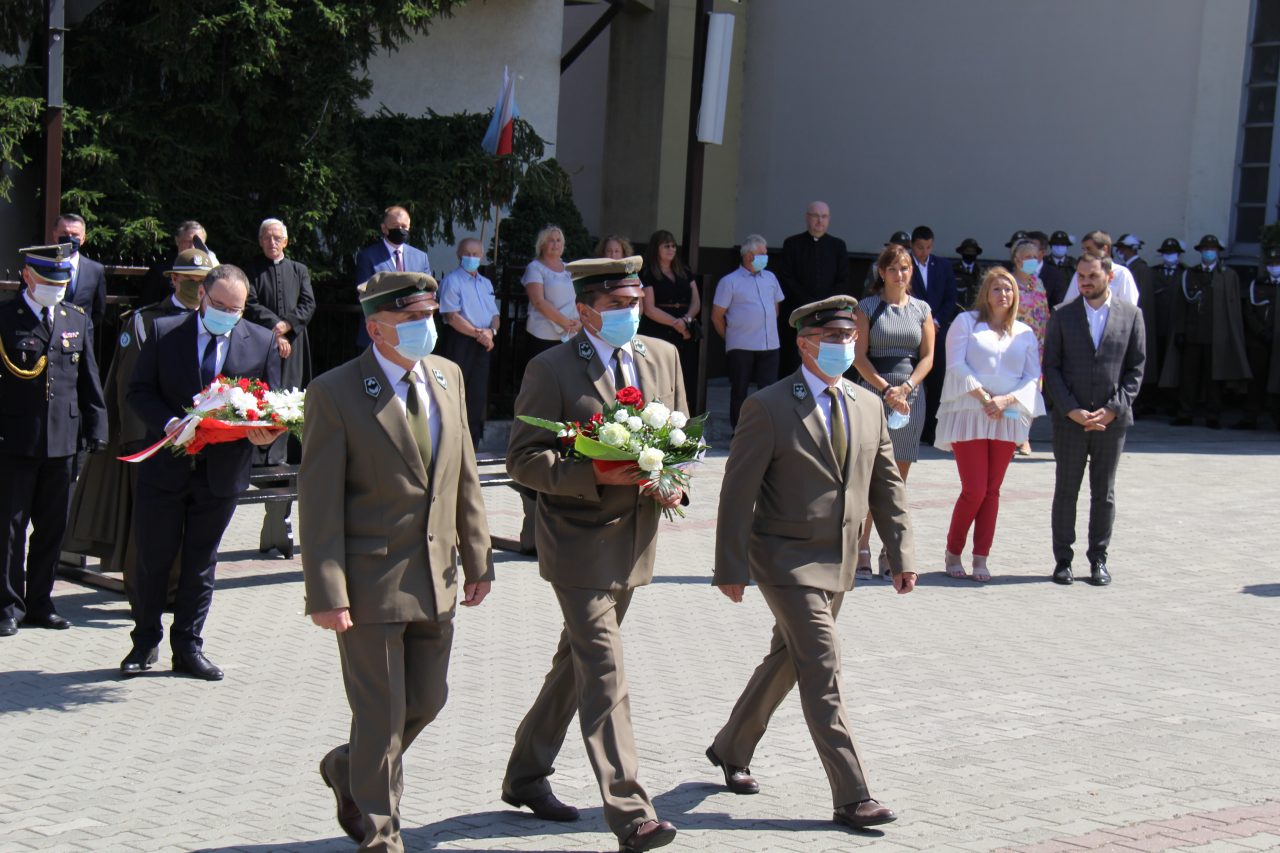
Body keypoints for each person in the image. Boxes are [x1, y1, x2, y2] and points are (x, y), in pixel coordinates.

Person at [300, 270, 493, 852]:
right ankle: (382, 835)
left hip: (436, 574)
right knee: (381, 715)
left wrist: (478, 557)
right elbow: (320, 503)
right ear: (376, 328)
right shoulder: (335, 392)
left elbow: (463, 473)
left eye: (427, 316)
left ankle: (347, 766)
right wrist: (327, 592)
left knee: (427, 699)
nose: (424, 327)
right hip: (371, 581)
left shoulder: (448, 375)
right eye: (410, 319)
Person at [709, 294, 916, 834]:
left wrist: (901, 554)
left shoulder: (868, 404)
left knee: (789, 659)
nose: (844, 345)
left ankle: (730, 747)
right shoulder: (770, 405)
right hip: (785, 559)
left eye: (849, 337)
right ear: (804, 344)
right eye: (832, 338)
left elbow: (887, 486)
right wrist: (730, 565)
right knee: (822, 662)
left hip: (839, 559)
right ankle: (853, 795)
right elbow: (738, 492)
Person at [502, 256, 685, 853]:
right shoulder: (552, 368)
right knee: (604, 668)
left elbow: (680, 436)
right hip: (577, 539)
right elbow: (523, 459)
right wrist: (595, 473)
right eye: (617, 305)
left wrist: (673, 480)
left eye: (635, 302)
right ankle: (631, 811)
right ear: (584, 311)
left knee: (576, 665)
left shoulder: (664, 356)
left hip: (634, 541)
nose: (631, 313)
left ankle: (525, 774)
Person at [121, 264, 282, 680]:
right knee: (153, 558)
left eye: (236, 309)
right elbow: (138, 391)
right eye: (220, 305)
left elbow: (270, 405)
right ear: (203, 298)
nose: (227, 314)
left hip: (222, 474)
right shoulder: (164, 332)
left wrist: (265, 435)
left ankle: (188, 647)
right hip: (165, 466)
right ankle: (144, 642)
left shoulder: (261, 341)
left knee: (200, 562)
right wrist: (168, 423)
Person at [64, 249, 210, 595]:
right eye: (190, 280)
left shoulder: (212, 321)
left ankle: (175, 591)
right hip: (152, 436)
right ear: (174, 280)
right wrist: (137, 438)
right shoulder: (146, 321)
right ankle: (142, 592)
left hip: (201, 437)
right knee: (146, 523)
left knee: (188, 519)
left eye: (203, 281)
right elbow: (130, 383)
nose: (197, 287)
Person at [0, 244, 107, 638]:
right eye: (49, 281)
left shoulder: (74, 318)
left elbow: (88, 378)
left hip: (63, 441)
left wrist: (97, 427)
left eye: (62, 282)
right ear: (27, 276)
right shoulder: (5, 317)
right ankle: (8, 605)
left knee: (52, 528)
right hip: (15, 439)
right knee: (10, 529)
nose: (56, 288)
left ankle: (41, 603)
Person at [935, 268, 1044, 581]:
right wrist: (985, 398)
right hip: (970, 410)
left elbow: (1032, 376)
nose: (1003, 295)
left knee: (992, 491)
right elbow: (956, 364)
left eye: (1008, 289)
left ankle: (981, 557)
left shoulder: (1024, 332)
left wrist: (1006, 401)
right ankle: (953, 551)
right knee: (974, 489)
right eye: (997, 289)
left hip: (1006, 415)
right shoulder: (966, 322)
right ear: (986, 293)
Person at [1043, 253, 1145, 587]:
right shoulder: (1062, 314)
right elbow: (1051, 368)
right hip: (1070, 421)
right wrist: (1070, 409)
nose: (1085, 282)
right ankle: (1063, 560)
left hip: (1111, 422)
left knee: (1104, 493)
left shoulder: (1131, 315)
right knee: (1066, 491)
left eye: (1092, 276)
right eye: (1081, 276)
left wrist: (1114, 408)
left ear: (1109, 277)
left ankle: (1098, 559)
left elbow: (1136, 369)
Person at [850, 244, 934, 579]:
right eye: (894, 269)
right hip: (874, 393)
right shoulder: (867, 307)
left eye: (905, 268)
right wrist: (886, 390)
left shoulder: (922, 309)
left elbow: (928, 357)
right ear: (882, 273)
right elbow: (858, 356)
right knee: (870, 475)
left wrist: (907, 388)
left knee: (897, 480)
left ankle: (891, 551)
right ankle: (861, 547)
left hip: (910, 396)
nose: (900, 274)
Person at [1159, 235, 1251, 428]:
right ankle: (1185, 412)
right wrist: (1180, 331)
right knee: (1188, 377)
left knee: (1214, 378)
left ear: (1217, 252)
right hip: (1193, 333)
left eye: (1212, 249)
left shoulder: (1227, 275)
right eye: (1206, 249)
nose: (1209, 252)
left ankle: (1213, 414)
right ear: (1200, 251)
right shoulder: (1190, 274)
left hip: (1216, 335)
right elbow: (1182, 305)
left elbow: (1232, 309)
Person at [713, 235, 785, 429]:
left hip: (770, 345)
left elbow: (775, 308)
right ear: (747, 256)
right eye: (761, 254)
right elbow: (717, 315)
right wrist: (730, 337)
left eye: (766, 253)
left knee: (769, 392)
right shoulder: (730, 281)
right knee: (739, 391)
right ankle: (739, 432)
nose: (765, 257)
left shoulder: (770, 278)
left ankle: (767, 430)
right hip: (741, 345)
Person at [438, 237, 500, 448]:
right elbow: (452, 316)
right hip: (460, 341)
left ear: (481, 256)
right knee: (455, 392)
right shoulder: (452, 281)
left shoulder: (486, 283)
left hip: (484, 343)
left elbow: (495, 315)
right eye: (467, 253)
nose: (471, 257)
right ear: (459, 255)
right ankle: (451, 444)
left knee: (477, 394)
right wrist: (478, 334)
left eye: (475, 254)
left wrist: (491, 332)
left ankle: (472, 444)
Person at [776, 201, 850, 375]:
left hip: (829, 315)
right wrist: (808, 302)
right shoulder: (792, 244)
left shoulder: (838, 246)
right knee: (793, 360)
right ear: (807, 218)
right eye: (816, 216)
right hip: (798, 312)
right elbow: (787, 278)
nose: (820, 221)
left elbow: (843, 279)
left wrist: (827, 304)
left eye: (824, 216)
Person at [354, 206, 431, 348]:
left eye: (404, 226)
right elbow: (363, 295)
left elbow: (428, 293)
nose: (400, 230)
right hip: (380, 333)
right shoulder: (368, 256)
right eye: (395, 226)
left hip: (412, 334)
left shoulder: (421, 257)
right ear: (384, 228)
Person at [638, 229, 700, 405]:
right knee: (660, 375)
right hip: (658, 330)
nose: (671, 249)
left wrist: (686, 320)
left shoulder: (684, 271)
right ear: (656, 248)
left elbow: (696, 301)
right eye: (666, 246)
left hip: (685, 330)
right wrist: (675, 323)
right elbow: (649, 308)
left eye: (673, 246)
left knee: (685, 373)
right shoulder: (647, 273)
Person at [908, 226, 957, 446]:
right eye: (920, 247)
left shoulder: (943, 266)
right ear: (912, 245)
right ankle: (912, 429)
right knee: (913, 380)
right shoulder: (906, 266)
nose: (924, 252)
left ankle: (931, 430)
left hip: (938, 330)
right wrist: (921, 323)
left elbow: (950, 298)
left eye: (928, 247)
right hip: (912, 330)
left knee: (937, 382)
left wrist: (936, 322)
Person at [1236, 246, 1280, 429]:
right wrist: (1261, 332)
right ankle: (1250, 417)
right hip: (1259, 340)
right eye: (1271, 263)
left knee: (1277, 380)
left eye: (1277, 263)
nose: (1274, 266)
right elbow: (1249, 312)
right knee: (1256, 380)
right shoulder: (1257, 284)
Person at [522, 224, 579, 359]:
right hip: (543, 335)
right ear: (542, 244)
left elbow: (579, 298)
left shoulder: (570, 268)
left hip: (570, 334)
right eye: (551, 240)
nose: (556, 244)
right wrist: (565, 323)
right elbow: (538, 302)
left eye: (558, 240)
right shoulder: (534, 268)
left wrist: (578, 324)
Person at [141, 221, 218, 306]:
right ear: (177, 241)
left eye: (198, 242)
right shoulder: (159, 271)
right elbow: (147, 303)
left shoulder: (212, 269)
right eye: (188, 241)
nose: (192, 246)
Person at [52, 213, 107, 331]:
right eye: (65, 233)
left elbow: (99, 310)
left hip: (81, 336)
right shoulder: (41, 265)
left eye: (75, 235)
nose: (69, 237)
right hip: (49, 334)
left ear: (83, 239)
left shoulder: (95, 270)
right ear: (55, 235)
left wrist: (83, 330)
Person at [1058, 230, 1140, 307]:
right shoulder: (1079, 273)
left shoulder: (1122, 274)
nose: (1085, 253)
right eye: (1083, 250)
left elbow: (1129, 308)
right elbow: (1068, 305)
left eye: (1089, 249)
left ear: (1104, 249)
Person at [862, 230, 910, 296]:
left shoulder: (912, 268)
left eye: (905, 249)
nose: (900, 252)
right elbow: (868, 292)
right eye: (892, 269)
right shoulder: (876, 267)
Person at [1028, 230, 1068, 309]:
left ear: (1043, 252)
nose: (1027, 251)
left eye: (1032, 248)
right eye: (1025, 247)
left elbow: (1059, 305)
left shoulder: (1056, 276)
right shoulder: (1016, 271)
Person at [952, 237, 986, 310]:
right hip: (955, 309)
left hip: (975, 309)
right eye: (967, 251)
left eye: (972, 251)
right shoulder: (952, 270)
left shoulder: (982, 272)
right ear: (962, 252)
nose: (970, 254)